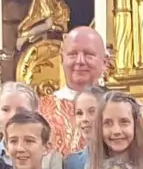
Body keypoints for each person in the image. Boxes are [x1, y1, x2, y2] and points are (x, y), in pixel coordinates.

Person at [38, 27, 108, 157]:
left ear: (105, 62)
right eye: (73, 54)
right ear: (62, 59)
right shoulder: (41, 109)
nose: (80, 61)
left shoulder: (116, 105)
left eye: (89, 54)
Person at [62, 85, 107, 169]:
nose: (84, 119)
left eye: (92, 112)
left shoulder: (124, 159)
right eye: (79, 113)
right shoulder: (71, 163)